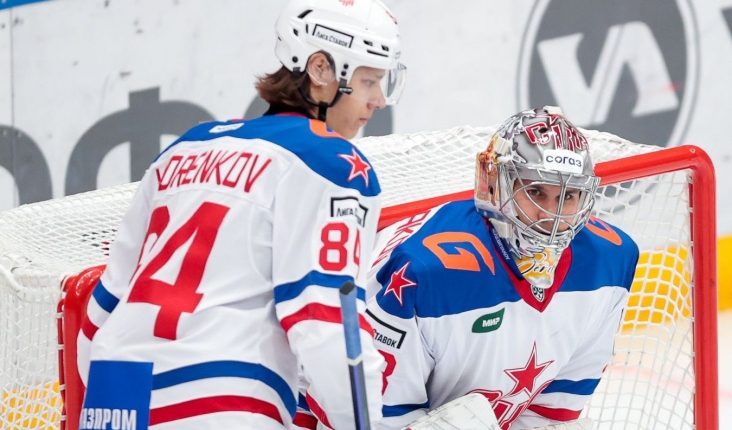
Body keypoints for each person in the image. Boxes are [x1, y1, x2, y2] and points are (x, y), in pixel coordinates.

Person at [76, 1, 406, 429]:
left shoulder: (185, 148)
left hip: (113, 399)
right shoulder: (332, 163)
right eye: (368, 81)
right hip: (218, 405)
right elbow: (326, 320)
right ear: (321, 69)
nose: (378, 100)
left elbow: (104, 305)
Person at [365, 107, 639, 429]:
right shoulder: (424, 271)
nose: (550, 217)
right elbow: (379, 418)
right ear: (493, 184)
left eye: (568, 196)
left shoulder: (610, 261)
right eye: (534, 192)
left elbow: (551, 414)